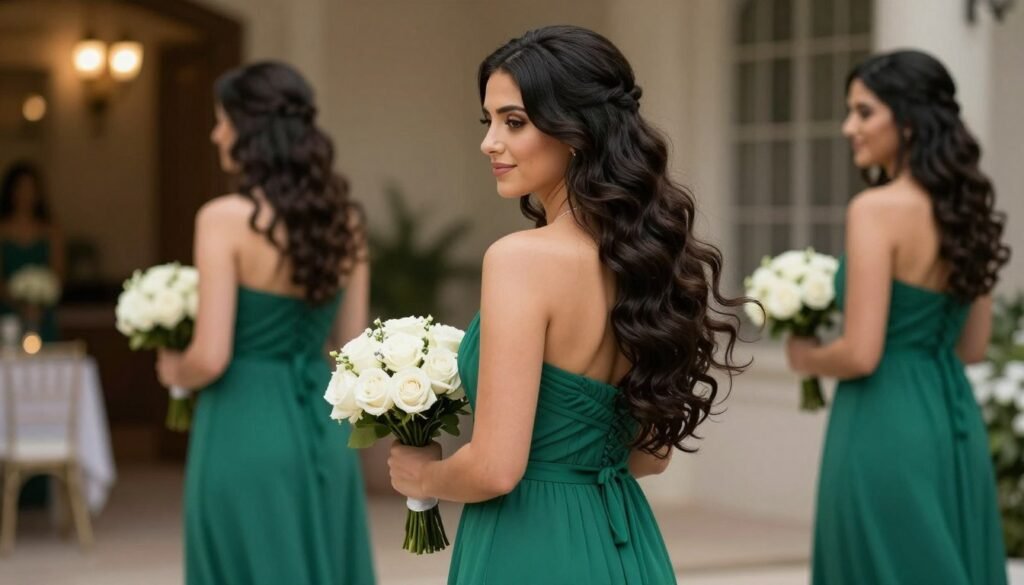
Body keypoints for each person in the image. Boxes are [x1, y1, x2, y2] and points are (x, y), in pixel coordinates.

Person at [387, 25, 746, 584]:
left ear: (576, 132)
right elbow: (650, 458)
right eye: (490, 122)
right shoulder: (650, 263)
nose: (489, 143)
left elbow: (495, 469)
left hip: (529, 547)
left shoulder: (520, 260)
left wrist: (423, 477)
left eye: (514, 121)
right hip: (624, 540)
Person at [785, 50, 1010, 584]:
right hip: (952, 417)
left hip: (883, 420)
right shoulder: (969, 210)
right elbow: (973, 347)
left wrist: (806, 357)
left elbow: (862, 354)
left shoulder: (875, 210)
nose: (849, 127)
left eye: (864, 112)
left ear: (908, 120)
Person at [155, 61, 375, 585]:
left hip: (241, 426)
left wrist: (172, 371)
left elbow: (210, 357)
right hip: (325, 430)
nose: (216, 133)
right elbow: (351, 348)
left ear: (248, 129)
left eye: (222, 120)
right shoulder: (347, 222)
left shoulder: (222, 219)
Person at [0, 160, 65, 341]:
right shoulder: (2, 231)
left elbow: (58, 274)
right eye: (21, 188)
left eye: (31, 188)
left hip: (43, 314)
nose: (25, 195)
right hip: (8, 313)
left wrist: (39, 303)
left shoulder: (51, 231)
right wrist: (20, 304)